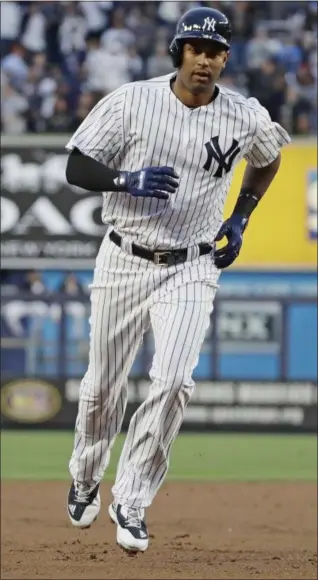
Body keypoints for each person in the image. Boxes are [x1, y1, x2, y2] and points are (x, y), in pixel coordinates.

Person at [65, 6, 291, 554]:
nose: (205, 61)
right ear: (178, 52)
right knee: (101, 387)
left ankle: (133, 499)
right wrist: (124, 178)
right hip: (124, 257)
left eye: (215, 52)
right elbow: (76, 166)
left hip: (192, 263)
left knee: (173, 382)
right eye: (196, 49)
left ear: (225, 59)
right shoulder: (132, 101)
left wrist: (240, 218)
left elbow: (270, 157)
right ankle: (86, 472)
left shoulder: (242, 114)